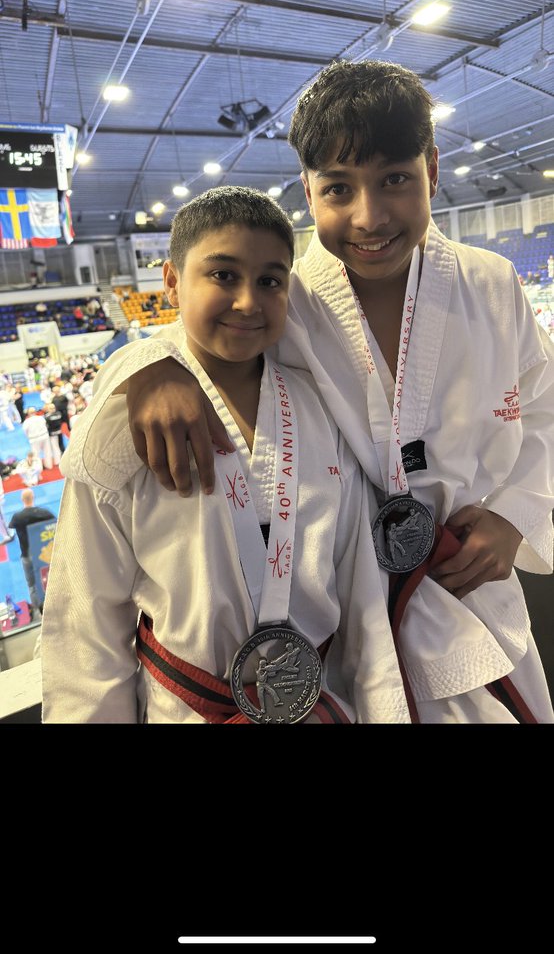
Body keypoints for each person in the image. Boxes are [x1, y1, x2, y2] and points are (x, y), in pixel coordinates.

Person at [59, 60, 554, 724]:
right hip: (351, 626)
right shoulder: (290, 299)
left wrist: (515, 513)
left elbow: (544, 402)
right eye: (339, 188)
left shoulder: (490, 282)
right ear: (309, 190)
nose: (369, 217)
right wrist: (146, 362)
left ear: (433, 170)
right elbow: (204, 334)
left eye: (396, 179)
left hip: (465, 582)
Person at [41, 186, 407, 724]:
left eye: (270, 281)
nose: (248, 302)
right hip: (188, 710)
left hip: (321, 703)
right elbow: (86, 626)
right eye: (222, 275)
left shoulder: (320, 407)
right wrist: (143, 363)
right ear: (172, 282)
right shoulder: (121, 431)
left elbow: (361, 591)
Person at [8, 489, 55, 617]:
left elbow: (11, 526)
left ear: (22, 499)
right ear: (33, 497)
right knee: (50, 580)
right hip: (43, 555)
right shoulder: (44, 513)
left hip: (27, 556)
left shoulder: (17, 517)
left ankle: (39, 610)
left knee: (32, 585)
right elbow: (54, 523)